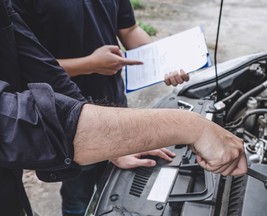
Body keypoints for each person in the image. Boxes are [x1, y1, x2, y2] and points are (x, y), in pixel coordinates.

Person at [1, 1, 247, 216]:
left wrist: (163, 59)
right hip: (63, 121)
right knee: (78, 198)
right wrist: (89, 65)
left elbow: (129, 29)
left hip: (108, 107)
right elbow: (22, 75)